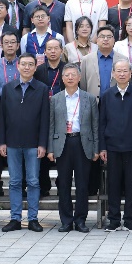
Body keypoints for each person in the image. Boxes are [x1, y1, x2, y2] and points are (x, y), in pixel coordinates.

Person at [0, 53, 49, 233]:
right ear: (18, 66)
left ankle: (33, 218)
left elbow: (45, 118)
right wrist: (2, 142)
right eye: (24, 64)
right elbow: (2, 117)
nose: (27, 67)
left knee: (33, 181)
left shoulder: (42, 89)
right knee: (14, 181)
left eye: (30, 65)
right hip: (12, 142)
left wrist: (43, 144)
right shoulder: (8, 88)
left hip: (34, 144)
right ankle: (15, 218)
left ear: (35, 67)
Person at [47, 63, 98, 232]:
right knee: (64, 184)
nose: (70, 78)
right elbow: (51, 125)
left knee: (82, 184)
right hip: (63, 144)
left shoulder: (89, 98)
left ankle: (81, 220)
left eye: (73, 75)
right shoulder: (55, 99)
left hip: (83, 143)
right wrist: (50, 149)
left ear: (79, 77)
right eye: (67, 75)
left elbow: (95, 125)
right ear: (62, 78)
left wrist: (96, 148)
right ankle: (66, 220)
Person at [99, 60, 132, 232]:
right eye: (118, 71)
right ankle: (114, 220)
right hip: (112, 147)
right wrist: (102, 147)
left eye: (125, 71)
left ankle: (130, 220)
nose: (122, 74)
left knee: (131, 185)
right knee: (113, 185)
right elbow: (101, 123)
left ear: (130, 73)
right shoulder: (106, 95)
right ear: (113, 74)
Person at [80, 26, 126, 96]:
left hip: (116, 100)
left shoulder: (123, 59)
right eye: (102, 36)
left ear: (114, 40)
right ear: (97, 40)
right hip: (93, 100)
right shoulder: (86, 60)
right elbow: (83, 84)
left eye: (109, 37)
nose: (105, 39)